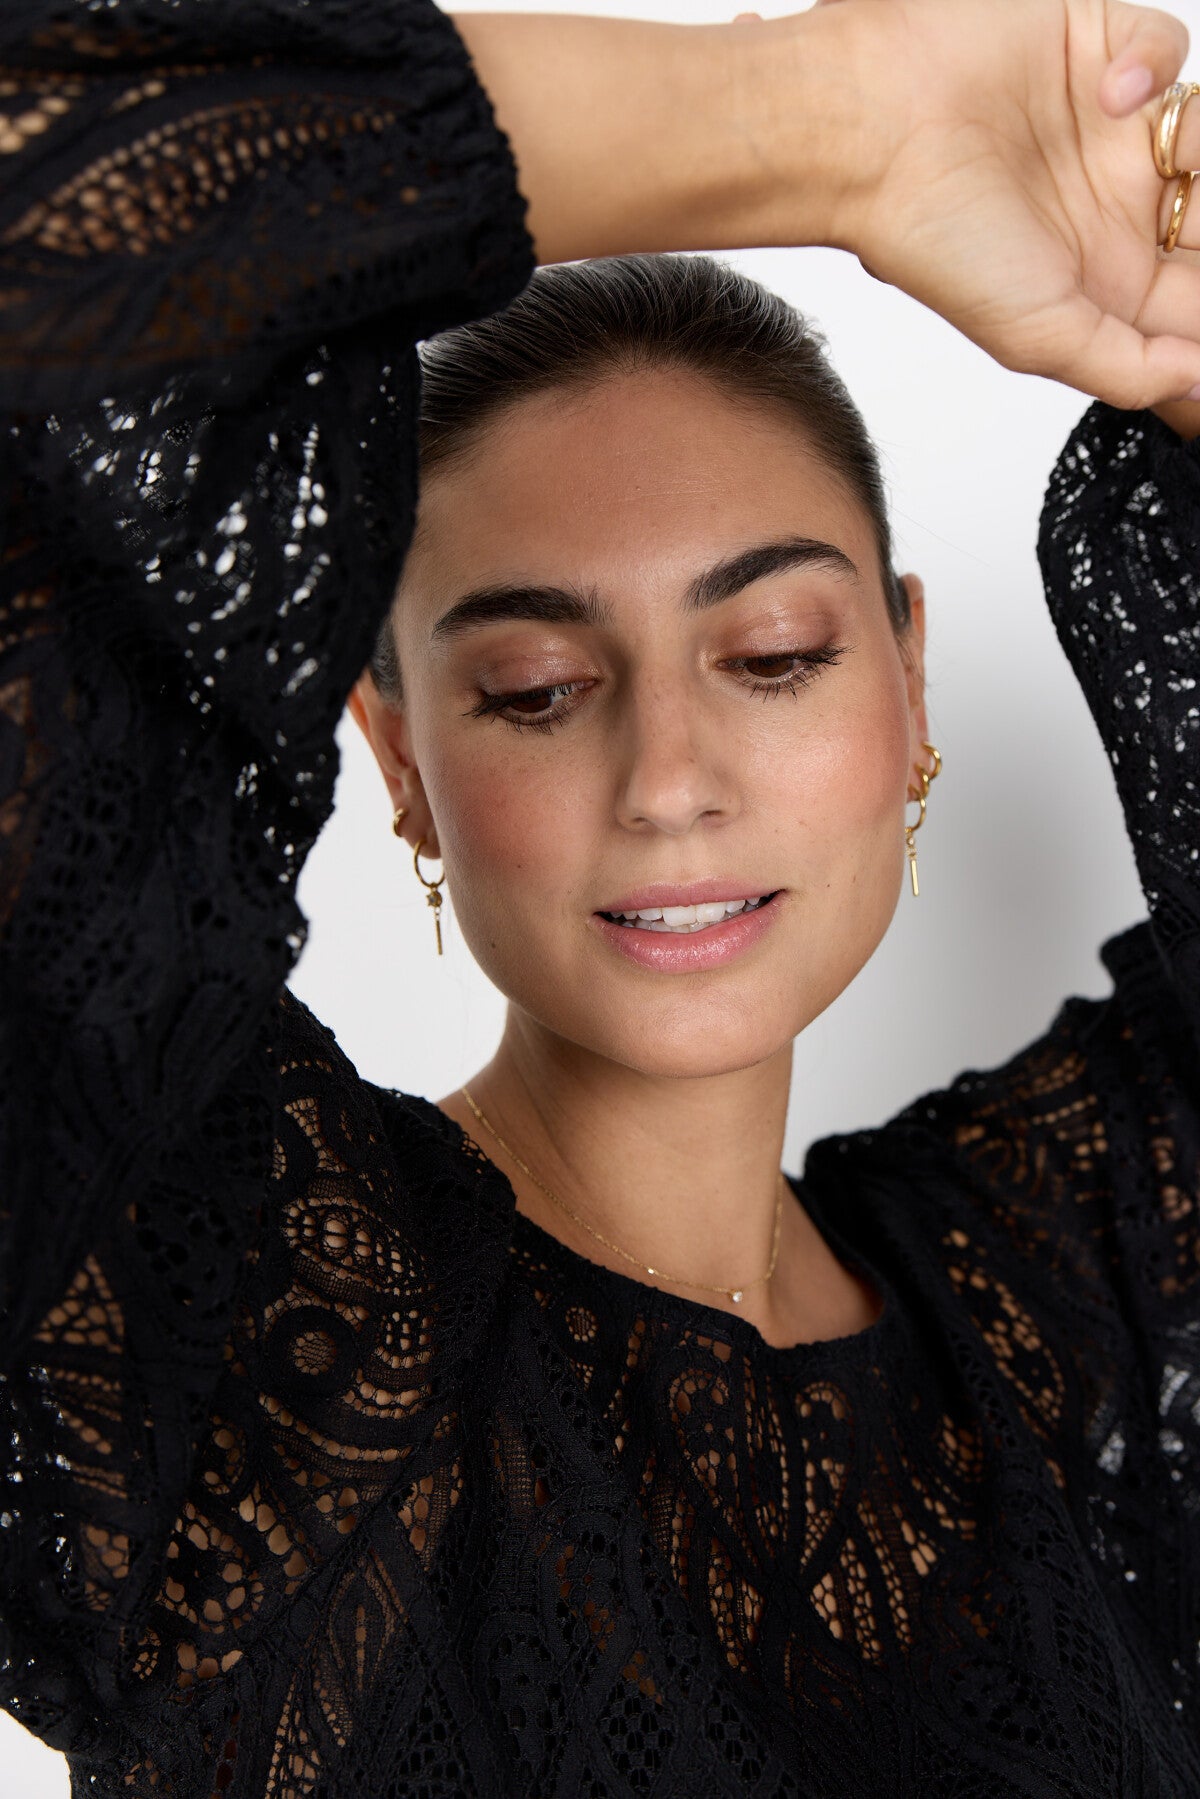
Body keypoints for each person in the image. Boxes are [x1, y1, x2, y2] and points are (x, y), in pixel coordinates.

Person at [2, 1, 1200, 1794]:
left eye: (774, 654)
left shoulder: (1066, 1309)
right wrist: (838, 129)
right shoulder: (255, 1328)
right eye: (538, 689)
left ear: (908, 680)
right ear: (402, 760)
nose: (667, 779)